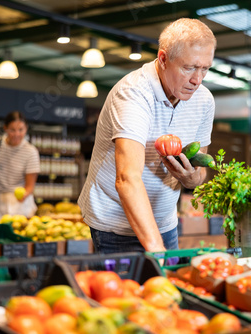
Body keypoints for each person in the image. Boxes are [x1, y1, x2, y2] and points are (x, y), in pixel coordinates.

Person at [78, 18, 217, 253]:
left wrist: (189, 177)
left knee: (166, 288)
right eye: (189, 67)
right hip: (115, 226)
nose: (197, 80)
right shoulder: (132, 94)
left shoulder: (204, 100)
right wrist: (156, 249)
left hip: (165, 223)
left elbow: (199, 174)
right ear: (163, 59)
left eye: (205, 69)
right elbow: (127, 178)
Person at [0, 111, 40, 221]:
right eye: (12, 130)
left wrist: (24, 195)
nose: (17, 134)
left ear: (26, 129)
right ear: (5, 128)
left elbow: (30, 186)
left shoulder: (31, 152)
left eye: (21, 130)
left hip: (19, 203)